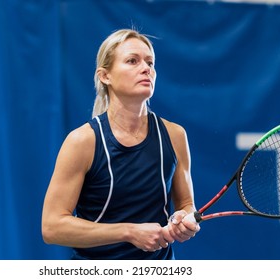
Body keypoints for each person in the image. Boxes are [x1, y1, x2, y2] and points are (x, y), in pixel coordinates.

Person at [42, 28, 200, 260]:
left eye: (150, 62)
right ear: (105, 76)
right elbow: (51, 227)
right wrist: (129, 232)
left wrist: (184, 220)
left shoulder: (175, 135)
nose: (146, 68)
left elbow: (186, 204)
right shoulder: (82, 141)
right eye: (132, 61)